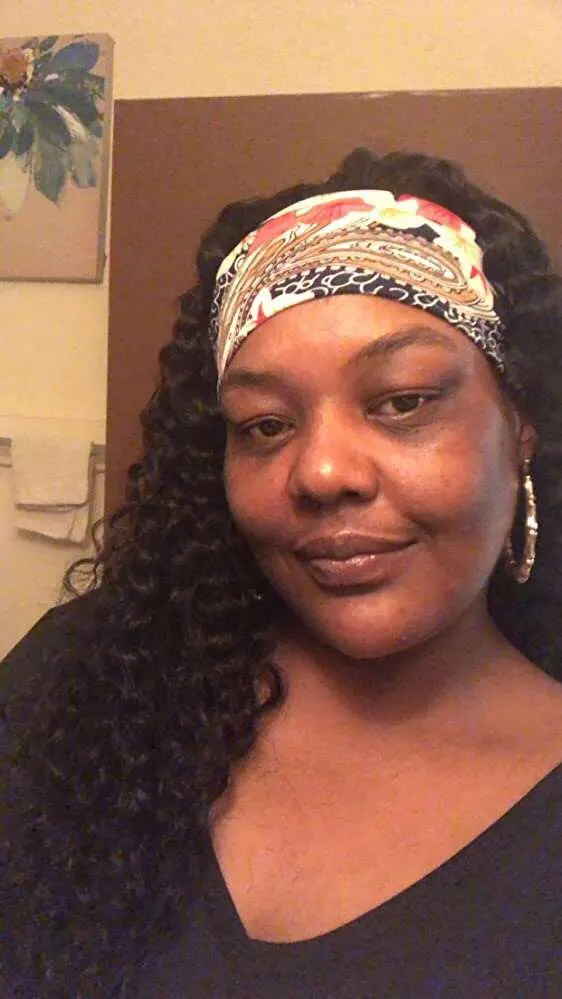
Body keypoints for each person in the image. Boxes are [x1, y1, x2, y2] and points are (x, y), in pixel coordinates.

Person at [1, 147, 561, 998]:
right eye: (266, 424)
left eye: (401, 401)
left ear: (519, 428)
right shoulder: (84, 680)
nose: (322, 472)